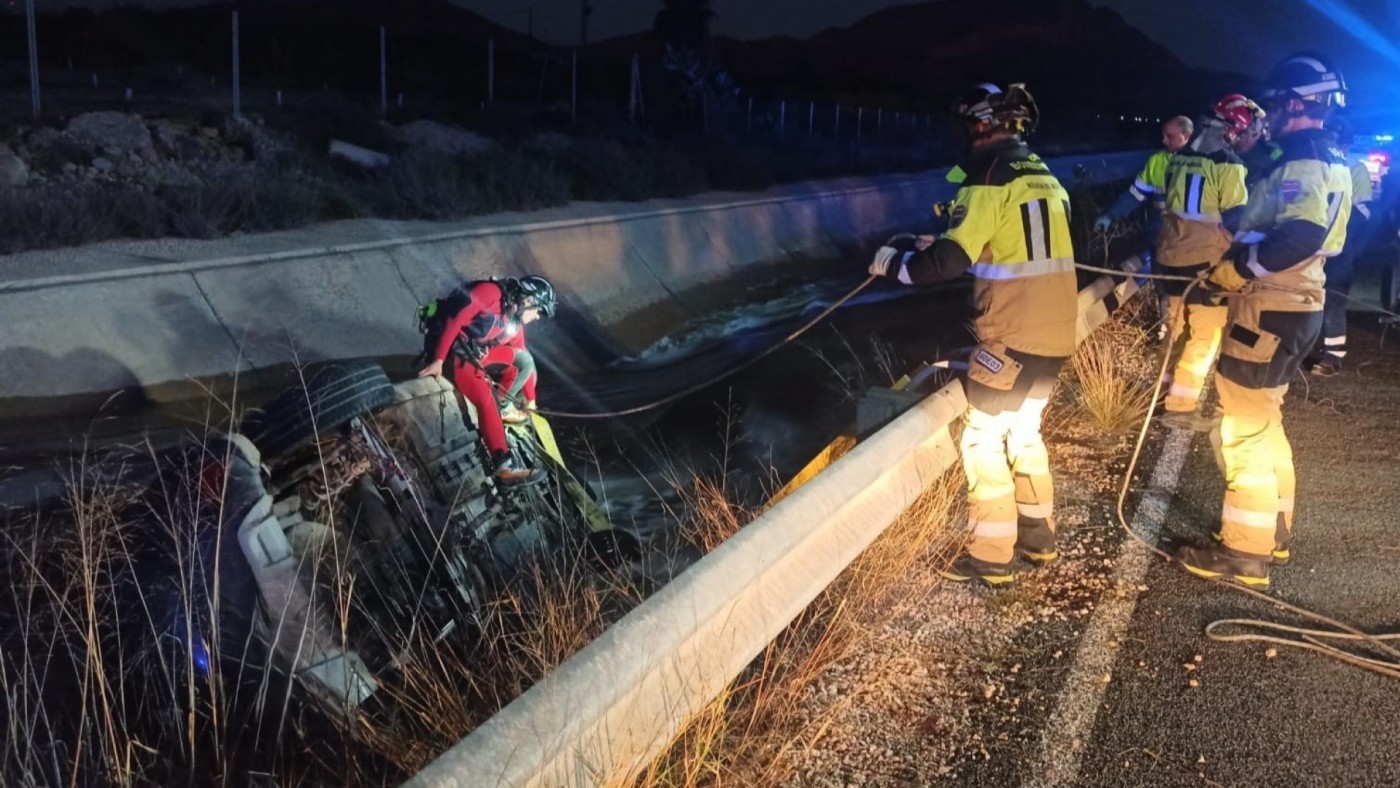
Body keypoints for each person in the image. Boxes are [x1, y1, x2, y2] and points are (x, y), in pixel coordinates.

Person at [868, 83, 1077, 587]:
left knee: (982, 440)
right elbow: (1014, 249)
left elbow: (943, 265)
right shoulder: (1045, 176)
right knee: (1025, 431)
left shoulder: (985, 178)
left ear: (981, 124)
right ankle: (1037, 535)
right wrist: (947, 242)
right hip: (1057, 331)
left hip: (1011, 333)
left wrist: (892, 264)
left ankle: (991, 554)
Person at [1176, 54, 1351, 585]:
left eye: (1275, 104)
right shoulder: (1331, 155)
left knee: (1245, 430)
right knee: (1266, 420)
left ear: (1297, 104)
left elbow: (1300, 234)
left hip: (1271, 304)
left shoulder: (1302, 159)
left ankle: (1245, 552)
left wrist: (1235, 271)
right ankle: (1271, 532)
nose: (1268, 114)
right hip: (1300, 305)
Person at [1155, 95, 1258, 431]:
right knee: (1205, 335)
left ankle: (1159, 394)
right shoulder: (1228, 165)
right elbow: (1237, 220)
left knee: (1174, 329)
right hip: (1206, 264)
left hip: (1169, 258)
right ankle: (1181, 407)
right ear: (1232, 130)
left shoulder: (1177, 159)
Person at [418, 275, 558, 485]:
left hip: (476, 356)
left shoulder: (513, 319)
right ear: (528, 300)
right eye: (539, 311)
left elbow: (523, 358)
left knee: (523, 361)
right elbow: (455, 320)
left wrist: (531, 401)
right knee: (485, 399)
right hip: (455, 354)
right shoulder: (489, 293)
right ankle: (503, 467)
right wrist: (438, 359)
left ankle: (501, 407)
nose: (538, 316)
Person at [1305, 117, 1374, 376]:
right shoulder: (1316, 165)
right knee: (1307, 296)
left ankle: (1333, 357)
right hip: (1312, 245)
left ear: (1344, 144)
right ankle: (1302, 348)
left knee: (1333, 299)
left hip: (1339, 248)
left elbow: (1363, 211)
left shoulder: (1355, 169)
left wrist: (1339, 234)